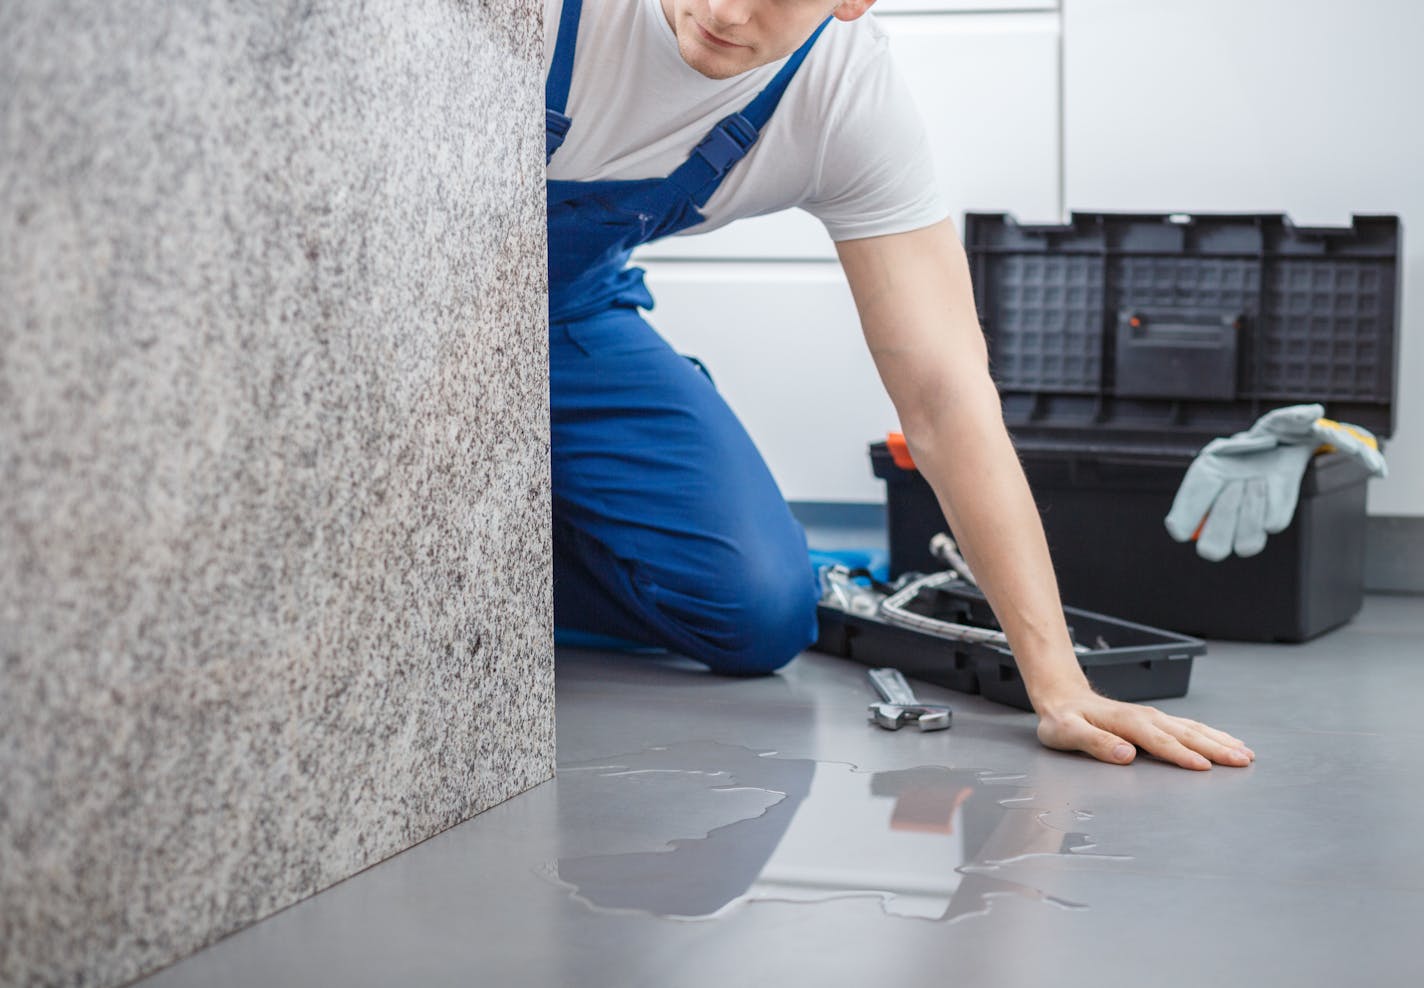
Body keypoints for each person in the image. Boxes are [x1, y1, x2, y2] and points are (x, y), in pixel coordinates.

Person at [545, 0, 1256, 771]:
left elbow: (946, 398)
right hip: (407, 288)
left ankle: (524, 548)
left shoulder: (845, 101)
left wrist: (1059, 686)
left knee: (758, 613)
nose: (724, 9)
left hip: (567, 313)